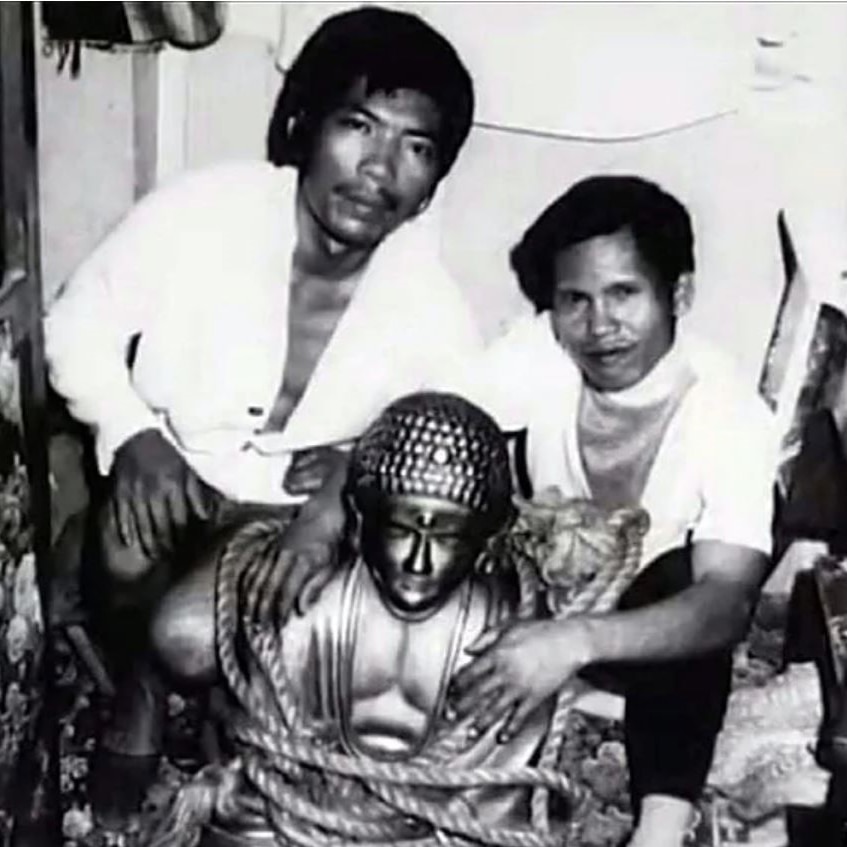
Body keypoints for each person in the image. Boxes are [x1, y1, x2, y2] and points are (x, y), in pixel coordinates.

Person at [43, 6, 479, 824]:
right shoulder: (204, 210)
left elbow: (452, 442)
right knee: (126, 545)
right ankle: (136, 693)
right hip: (177, 464)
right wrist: (128, 428)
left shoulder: (433, 305)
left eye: (415, 147)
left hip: (281, 511)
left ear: (431, 184)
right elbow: (73, 323)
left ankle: (211, 687)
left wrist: (345, 484)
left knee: (188, 636)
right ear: (304, 124)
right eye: (358, 125)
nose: (378, 167)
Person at [439, 175, 779, 847]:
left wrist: (576, 641)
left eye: (624, 294)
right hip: (543, 601)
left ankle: (661, 824)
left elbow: (724, 605)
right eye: (575, 301)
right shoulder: (541, 351)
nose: (598, 327)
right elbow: (430, 421)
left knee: (686, 579)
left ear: (677, 294)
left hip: (654, 638)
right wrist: (339, 483)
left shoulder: (728, 410)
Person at [151, 392, 579, 847]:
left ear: (487, 540)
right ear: (359, 521)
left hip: (441, 823)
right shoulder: (309, 607)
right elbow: (272, 763)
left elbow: (492, 803)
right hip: (303, 812)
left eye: (448, 535)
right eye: (400, 528)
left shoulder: (509, 636)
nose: (419, 561)